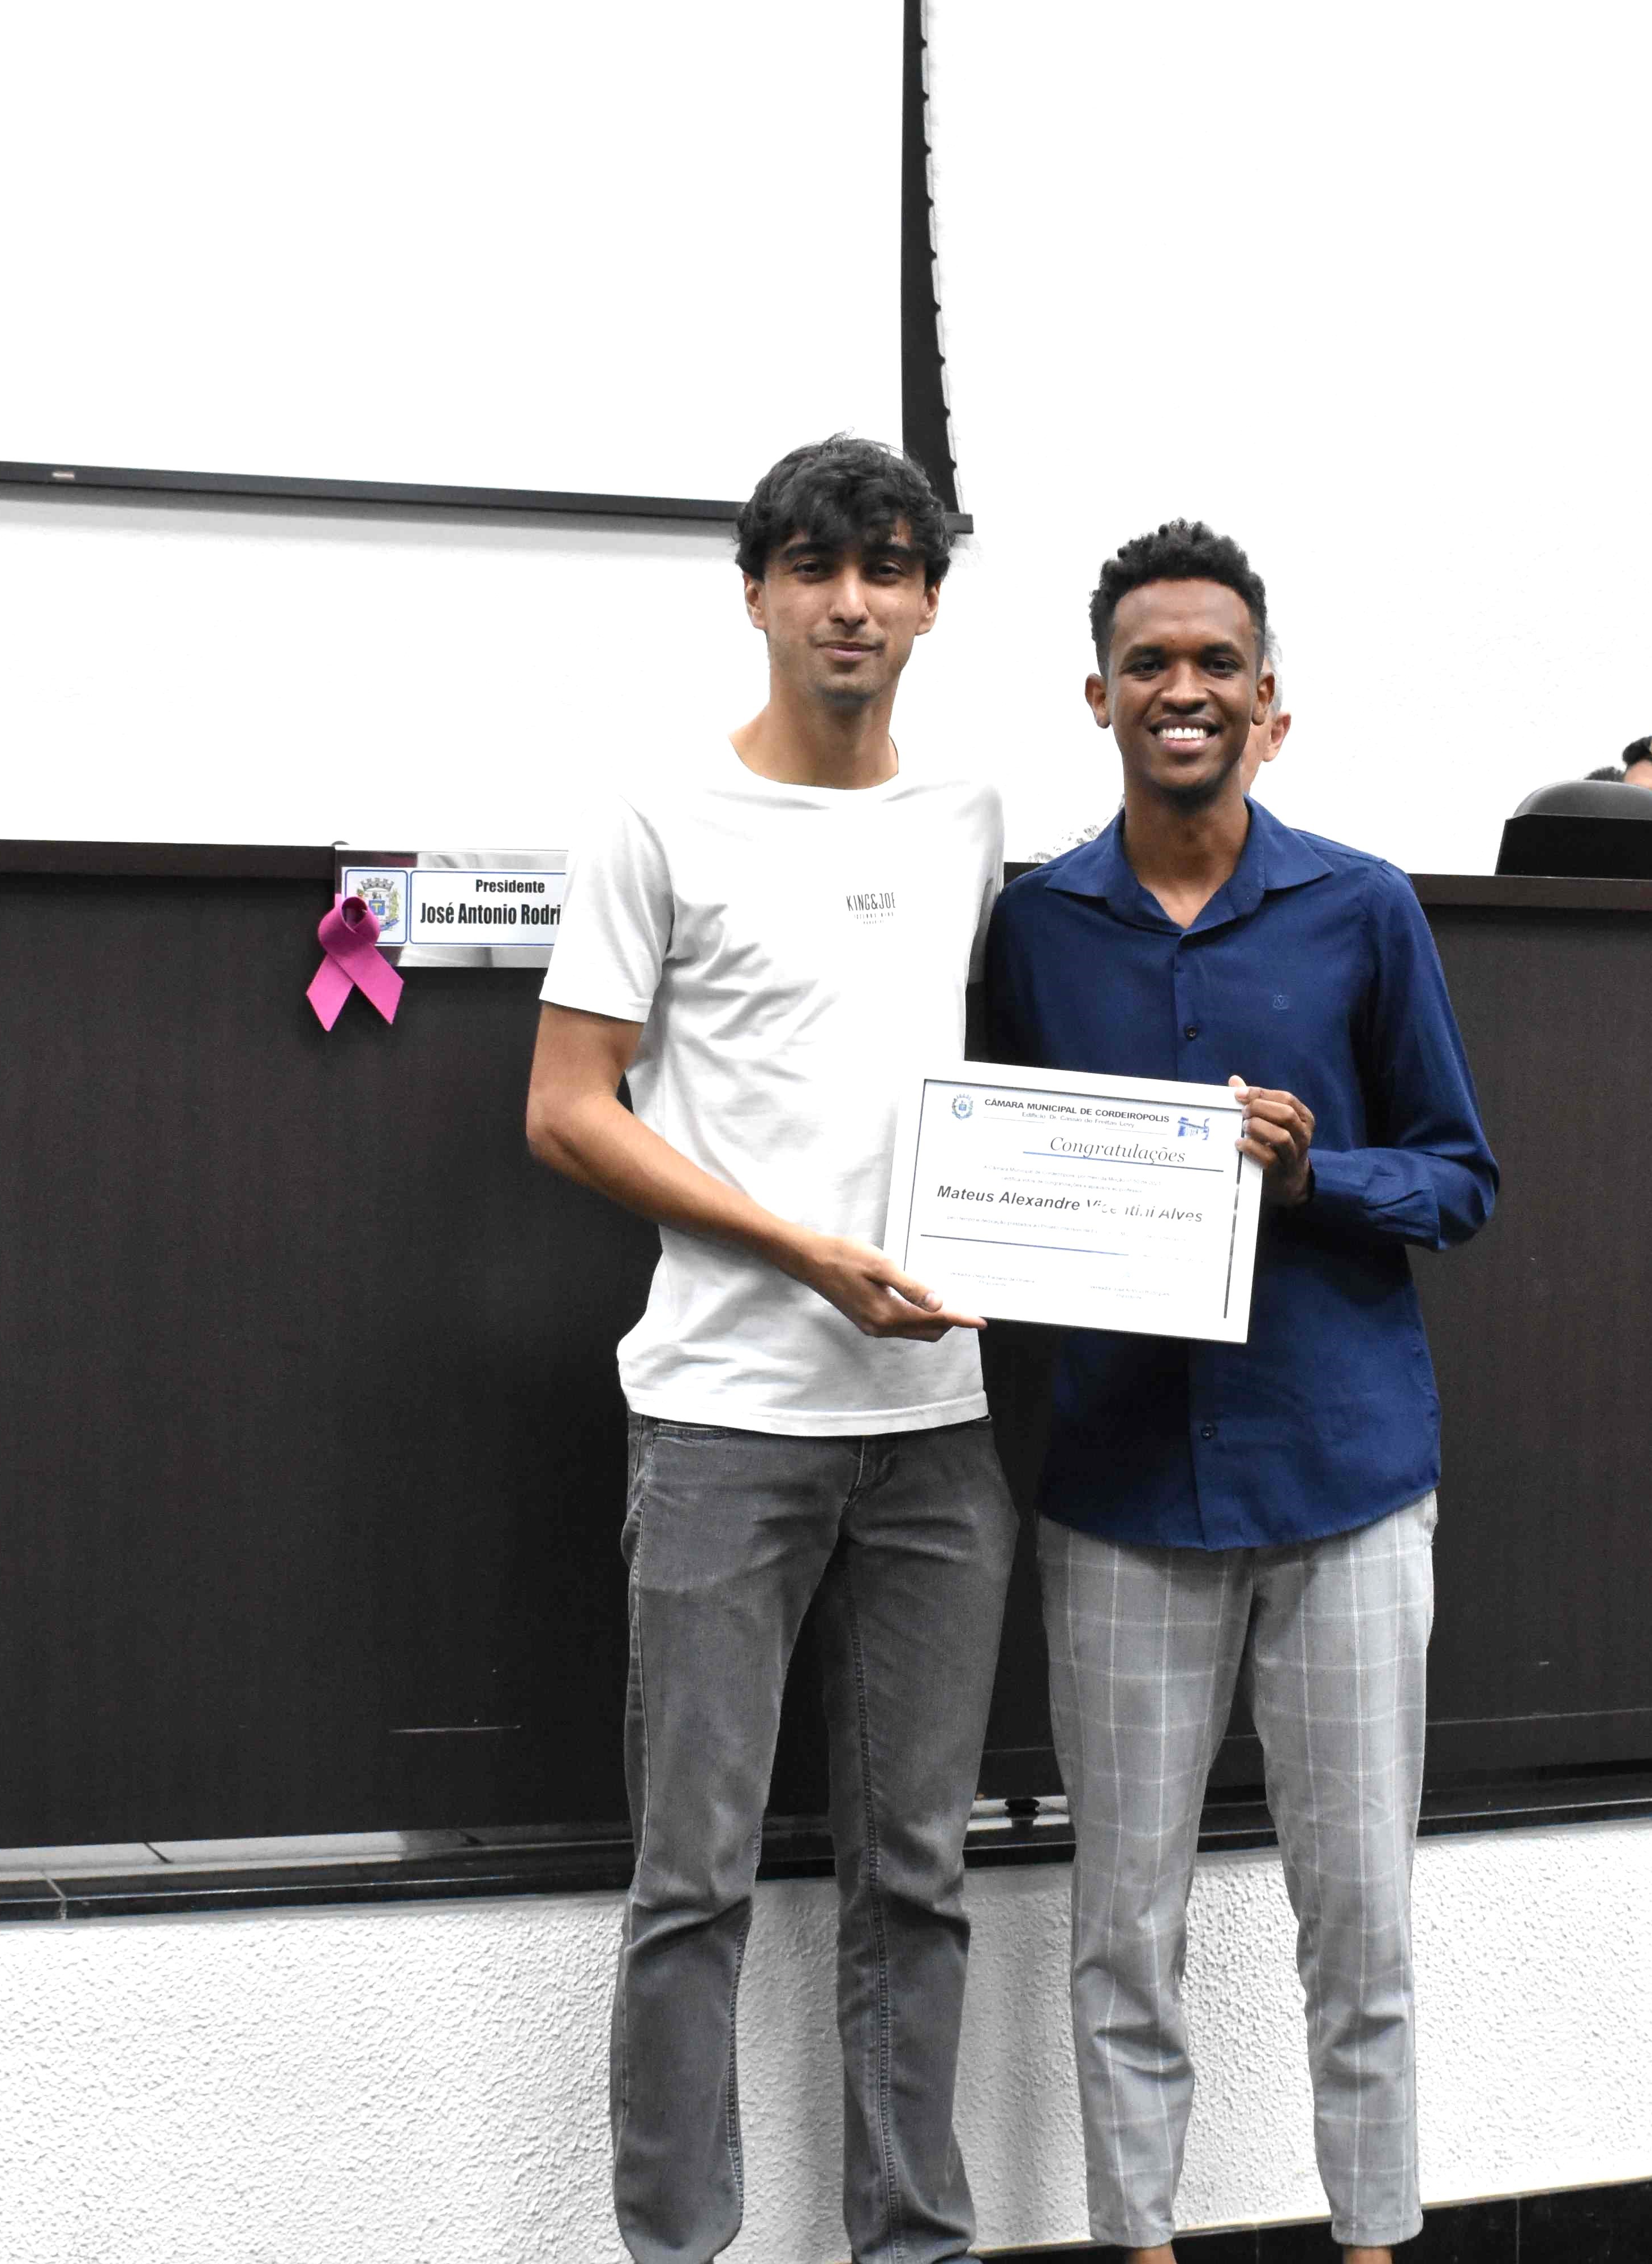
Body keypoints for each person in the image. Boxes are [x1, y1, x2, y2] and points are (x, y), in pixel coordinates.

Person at [523, 435, 1018, 2264]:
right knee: (693, 1884)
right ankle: (679, 2252)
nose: (852, 603)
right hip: (725, 1424)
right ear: (756, 594)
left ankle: (914, 2246)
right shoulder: (658, 818)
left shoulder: (969, 817)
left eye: (889, 568)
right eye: (815, 568)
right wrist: (803, 1254)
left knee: (920, 1879)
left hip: (939, 1434)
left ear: (931, 603)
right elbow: (568, 1109)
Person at [985, 521, 1499, 2264]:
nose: (1182, 689)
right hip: (1122, 1494)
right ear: (1099, 696)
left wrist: (1316, 1174)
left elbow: (1460, 1178)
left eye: (1216, 663)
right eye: (1149, 663)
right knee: (1121, 1929)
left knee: (1360, 1925)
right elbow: (998, 1171)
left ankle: (1374, 2246)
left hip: (1343, 1482)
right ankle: (1138, 2243)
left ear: (1268, 699)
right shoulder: (1037, 926)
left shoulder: (1360, 907)